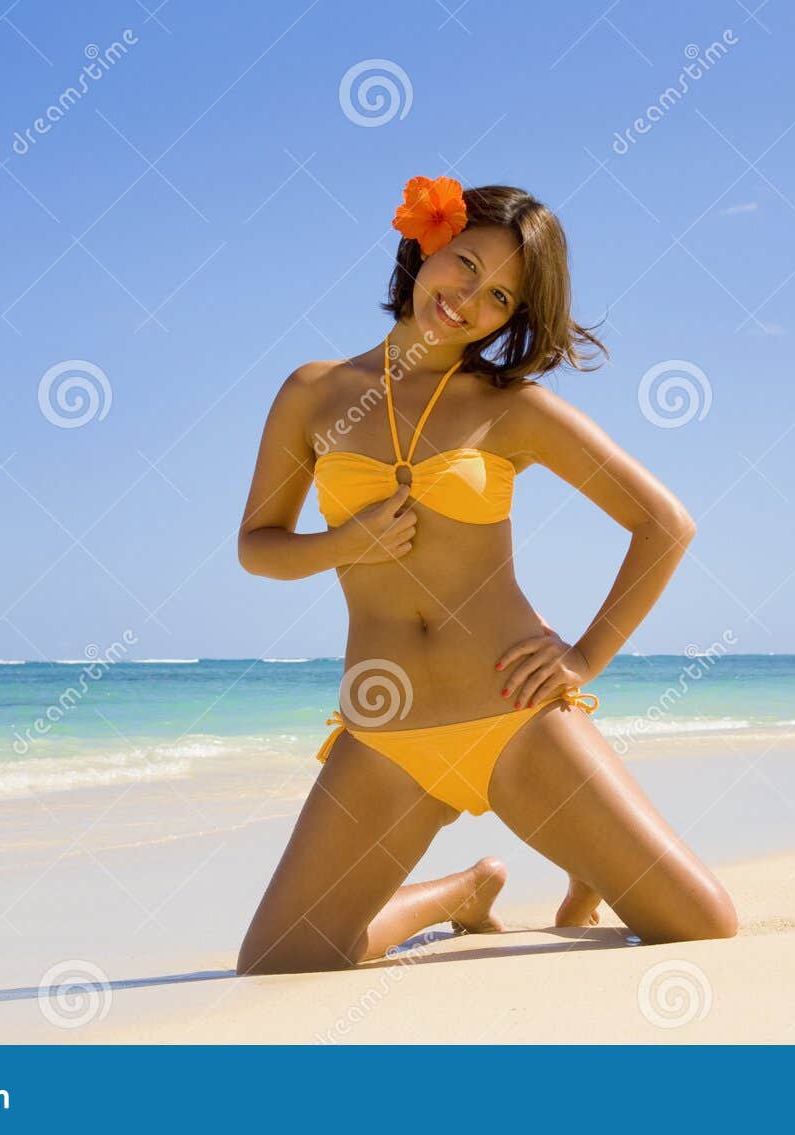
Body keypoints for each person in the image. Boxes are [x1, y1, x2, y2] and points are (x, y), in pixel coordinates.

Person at [235, 176, 737, 974]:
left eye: (499, 295)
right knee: (279, 961)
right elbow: (257, 545)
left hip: (514, 716)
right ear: (426, 244)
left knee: (702, 923)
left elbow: (665, 524)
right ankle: (461, 892)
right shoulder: (314, 392)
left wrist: (583, 657)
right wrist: (345, 543)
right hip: (385, 731)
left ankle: (585, 873)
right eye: (464, 265)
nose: (468, 300)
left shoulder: (513, 408)